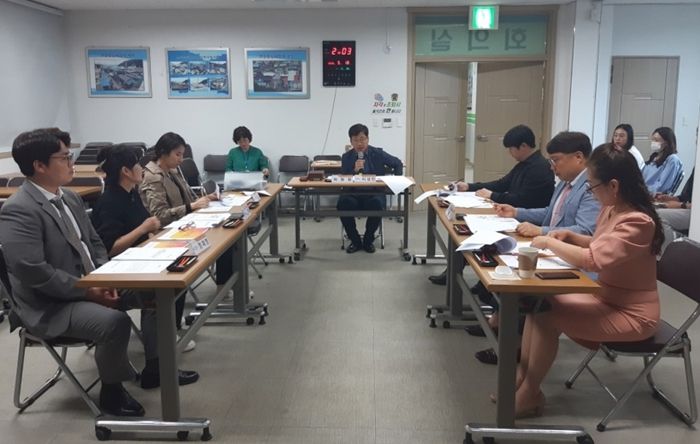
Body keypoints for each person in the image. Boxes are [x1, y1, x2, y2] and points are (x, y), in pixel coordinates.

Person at [511, 143, 662, 418]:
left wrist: (549, 240)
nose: (590, 191)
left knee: (546, 317)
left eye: (592, 186)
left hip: (633, 314)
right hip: (606, 298)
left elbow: (593, 259)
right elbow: (601, 243)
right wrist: (572, 237)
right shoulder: (613, 209)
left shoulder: (638, 222)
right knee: (539, 304)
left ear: (613, 186)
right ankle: (523, 381)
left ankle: (529, 392)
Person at [0, 129, 144, 416]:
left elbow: (94, 243)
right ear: (39, 165)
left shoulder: (70, 197)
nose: (72, 163)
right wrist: (88, 290)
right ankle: (112, 393)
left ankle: (156, 365)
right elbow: (33, 271)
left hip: (90, 285)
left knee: (154, 292)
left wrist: (105, 278)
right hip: (50, 304)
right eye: (64, 157)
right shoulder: (19, 209)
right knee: (114, 322)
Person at [468, 132, 601, 364]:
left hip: (574, 262)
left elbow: (584, 232)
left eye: (556, 160)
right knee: (499, 262)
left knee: (521, 285)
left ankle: (513, 345)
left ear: (579, 157)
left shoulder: (592, 188)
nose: (552, 166)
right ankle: (500, 327)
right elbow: (550, 213)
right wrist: (517, 212)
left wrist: (541, 231)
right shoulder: (565, 183)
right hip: (553, 252)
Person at [91, 144, 200, 388]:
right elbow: (109, 248)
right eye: (138, 165)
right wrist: (143, 229)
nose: (142, 169)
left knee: (179, 274)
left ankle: (163, 351)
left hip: (142, 262)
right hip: (119, 276)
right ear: (126, 171)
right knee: (158, 293)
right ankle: (157, 368)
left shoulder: (131, 194)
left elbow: (147, 230)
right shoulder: (110, 201)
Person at [429, 124, 555, 285]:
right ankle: (458, 275)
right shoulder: (524, 164)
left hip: (526, 222)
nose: (510, 153)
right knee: (467, 229)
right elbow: (502, 184)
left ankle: (477, 284)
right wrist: (469, 186)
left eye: (511, 149)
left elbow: (522, 200)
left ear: (523, 146)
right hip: (513, 216)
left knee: (477, 234)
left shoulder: (539, 168)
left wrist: (493, 196)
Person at [140, 133, 231, 315]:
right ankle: (173, 320)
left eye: (182, 154)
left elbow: (190, 199)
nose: (181, 159)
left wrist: (206, 198)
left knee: (227, 237)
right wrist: (191, 207)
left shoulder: (173, 171)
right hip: (167, 233)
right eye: (178, 154)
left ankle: (225, 287)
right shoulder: (152, 177)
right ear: (163, 153)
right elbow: (159, 216)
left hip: (186, 224)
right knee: (218, 242)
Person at [338, 123, 403, 253]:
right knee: (342, 204)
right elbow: (343, 178)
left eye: (362, 139)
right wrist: (354, 170)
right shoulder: (346, 157)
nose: (359, 143)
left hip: (374, 193)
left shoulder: (378, 153)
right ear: (351, 141)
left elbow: (397, 163)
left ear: (368, 139)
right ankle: (355, 241)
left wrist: (395, 183)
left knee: (377, 204)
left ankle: (368, 240)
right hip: (353, 194)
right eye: (355, 140)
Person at [656, 167, 694, 244]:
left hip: (695, 213)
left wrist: (682, 205)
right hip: (687, 208)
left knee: (657, 216)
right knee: (650, 210)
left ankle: (681, 245)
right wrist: (670, 198)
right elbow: (685, 197)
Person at [642, 126, 683, 194]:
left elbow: (661, 187)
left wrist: (642, 190)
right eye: (652, 140)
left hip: (652, 195)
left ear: (667, 143)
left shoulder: (672, 159)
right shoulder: (654, 157)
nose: (653, 143)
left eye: (656, 140)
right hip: (642, 192)